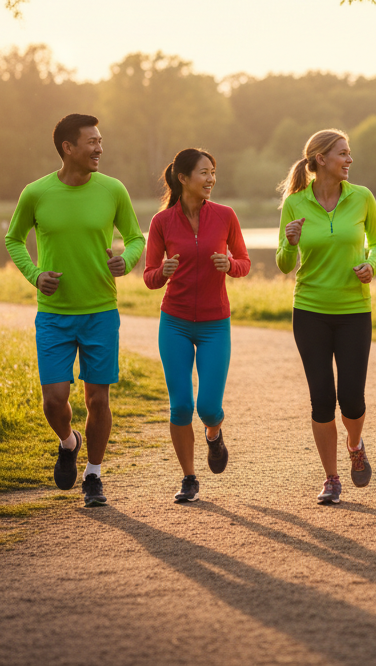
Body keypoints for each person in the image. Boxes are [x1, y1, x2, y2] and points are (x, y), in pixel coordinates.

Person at [5, 113, 146, 508]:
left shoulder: (113, 189)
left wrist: (126, 260)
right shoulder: (35, 193)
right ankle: (69, 443)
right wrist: (35, 274)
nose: (100, 148)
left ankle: (94, 475)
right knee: (54, 400)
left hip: (100, 310)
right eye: (92, 142)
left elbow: (135, 237)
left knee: (98, 400)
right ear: (68, 148)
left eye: (101, 141)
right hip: (53, 314)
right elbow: (13, 239)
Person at [276, 129, 376, 505]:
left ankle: (355, 444)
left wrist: (372, 264)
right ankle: (331, 477)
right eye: (343, 153)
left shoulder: (362, 197)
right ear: (321, 159)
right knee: (321, 399)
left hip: (354, 310)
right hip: (309, 310)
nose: (349, 159)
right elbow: (283, 264)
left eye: (349, 153)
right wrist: (290, 244)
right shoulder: (295, 204)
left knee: (352, 399)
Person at [144, 148, 250, 503]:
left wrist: (229, 265)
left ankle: (214, 435)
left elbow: (245, 261)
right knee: (180, 406)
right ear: (183, 178)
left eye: (213, 172)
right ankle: (189, 477)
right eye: (203, 173)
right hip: (174, 322)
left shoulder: (225, 215)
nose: (210, 180)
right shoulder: (161, 223)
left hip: (214, 323)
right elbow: (149, 276)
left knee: (208, 407)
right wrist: (163, 272)